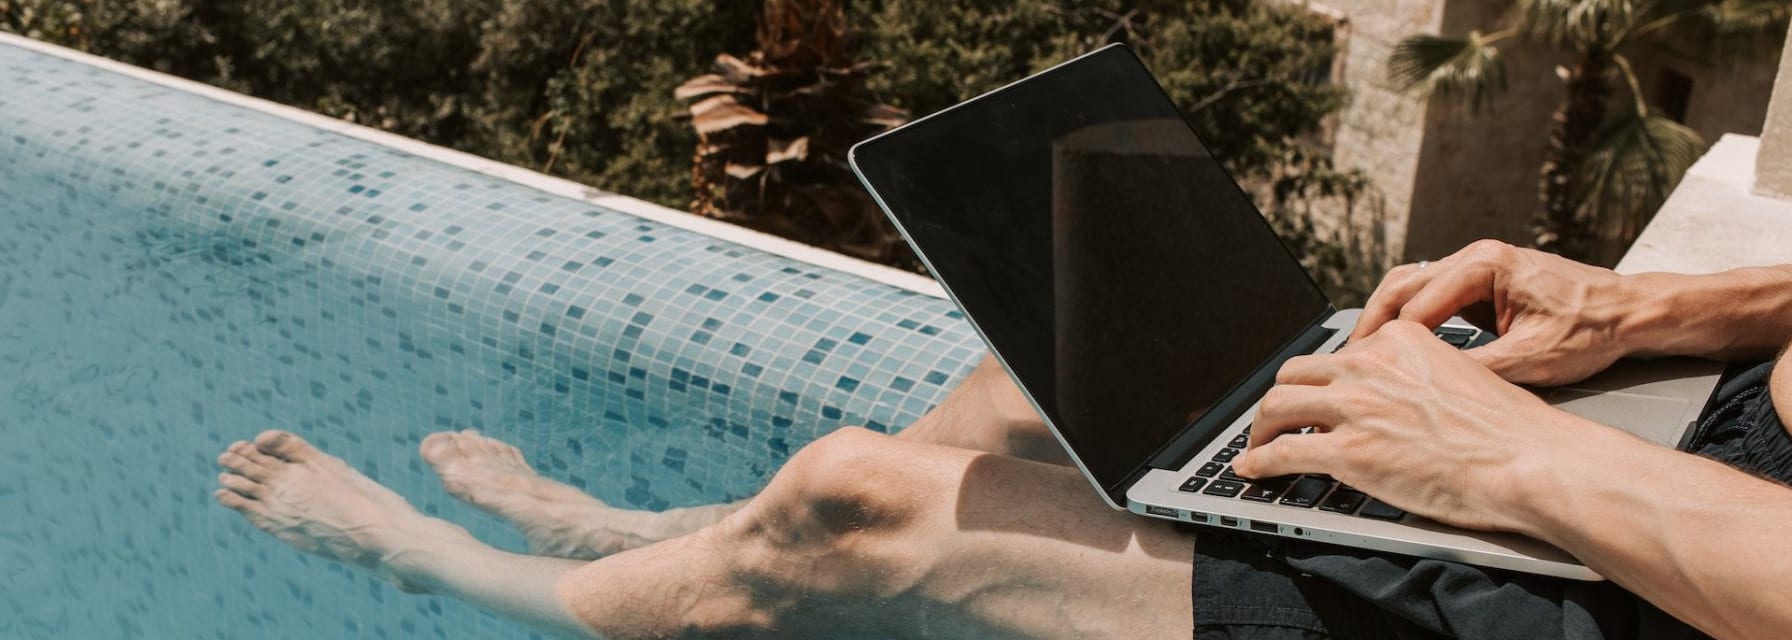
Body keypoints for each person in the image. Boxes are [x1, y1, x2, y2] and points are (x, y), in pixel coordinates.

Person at [213, 240, 1792, 639]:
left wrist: (1512, 461)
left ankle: (472, 580)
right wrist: (1664, 313)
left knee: (856, 497)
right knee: (1032, 383)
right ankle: (673, 550)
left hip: (1674, 586)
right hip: (1716, 449)